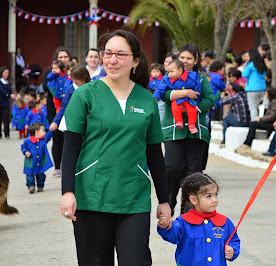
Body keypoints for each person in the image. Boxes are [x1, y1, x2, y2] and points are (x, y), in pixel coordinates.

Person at [59, 29, 171, 265]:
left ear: (136, 60)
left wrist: (164, 200)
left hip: (134, 197)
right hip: (91, 195)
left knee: (137, 260)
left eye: (121, 54)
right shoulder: (85, 95)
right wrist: (68, 191)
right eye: (108, 53)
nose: (112, 60)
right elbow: (70, 148)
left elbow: (154, 154)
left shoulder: (147, 99)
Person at [161, 44, 215, 215]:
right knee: (172, 165)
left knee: (193, 170)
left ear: (195, 61)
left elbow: (209, 99)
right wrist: (182, 94)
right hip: (173, 129)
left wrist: (195, 107)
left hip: (195, 130)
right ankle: (169, 201)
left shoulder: (201, 79)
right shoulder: (169, 76)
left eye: (189, 58)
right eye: (182, 57)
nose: (185, 61)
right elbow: (162, 93)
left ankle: (189, 209)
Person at [157, 172, 240, 265]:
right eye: (209, 196)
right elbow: (172, 235)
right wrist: (164, 225)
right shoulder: (183, 222)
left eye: (215, 194)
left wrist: (232, 250)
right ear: (194, 200)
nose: (215, 200)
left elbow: (234, 240)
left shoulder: (225, 222)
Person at [42, 47, 72, 178]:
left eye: (65, 57)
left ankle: (69, 166)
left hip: (70, 108)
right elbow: (44, 86)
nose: (63, 59)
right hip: (54, 109)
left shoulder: (72, 71)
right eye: (61, 57)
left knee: (70, 138)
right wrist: (55, 73)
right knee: (57, 138)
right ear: (56, 58)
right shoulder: (51, 71)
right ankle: (57, 167)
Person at [155, 59, 201, 134]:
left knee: (192, 109)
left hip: (189, 100)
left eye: (171, 72)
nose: (169, 74)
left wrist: (197, 96)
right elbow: (160, 88)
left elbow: (197, 85)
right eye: (168, 72)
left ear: (180, 71)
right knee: (175, 107)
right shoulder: (167, 79)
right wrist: (156, 96)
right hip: (177, 100)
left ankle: (192, 125)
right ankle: (179, 121)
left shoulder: (192, 76)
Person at [50, 65, 91, 132]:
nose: (74, 81)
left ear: (84, 77)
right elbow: (64, 107)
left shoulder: (91, 88)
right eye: (73, 79)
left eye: (76, 79)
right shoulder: (70, 89)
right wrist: (55, 122)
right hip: (74, 123)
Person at [21, 123, 54, 194]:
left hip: (40, 162)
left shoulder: (43, 140)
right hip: (31, 161)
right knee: (29, 175)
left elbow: (49, 134)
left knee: (41, 175)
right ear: (37, 132)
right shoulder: (27, 141)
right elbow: (23, 147)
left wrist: (52, 129)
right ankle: (31, 186)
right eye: (43, 130)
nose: (45, 132)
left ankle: (40, 186)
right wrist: (25, 152)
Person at [242, 48, 267, 121]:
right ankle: (262, 122)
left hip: (252, 89)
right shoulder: (262, 64)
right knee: (261, 107)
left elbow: (244, 74)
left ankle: (254, 123)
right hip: (262, 88)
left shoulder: (250, 65)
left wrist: (245, 65)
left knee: (253, 108)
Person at [0, 67, 11, 139]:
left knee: (7, 118)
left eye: (7, 73)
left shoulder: (7, 82)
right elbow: (2, 91)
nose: (7, 74)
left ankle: (7, 133)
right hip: (0, 102)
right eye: (5, 73)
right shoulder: (0, 82)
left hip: (6, 102)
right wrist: (9, 95)